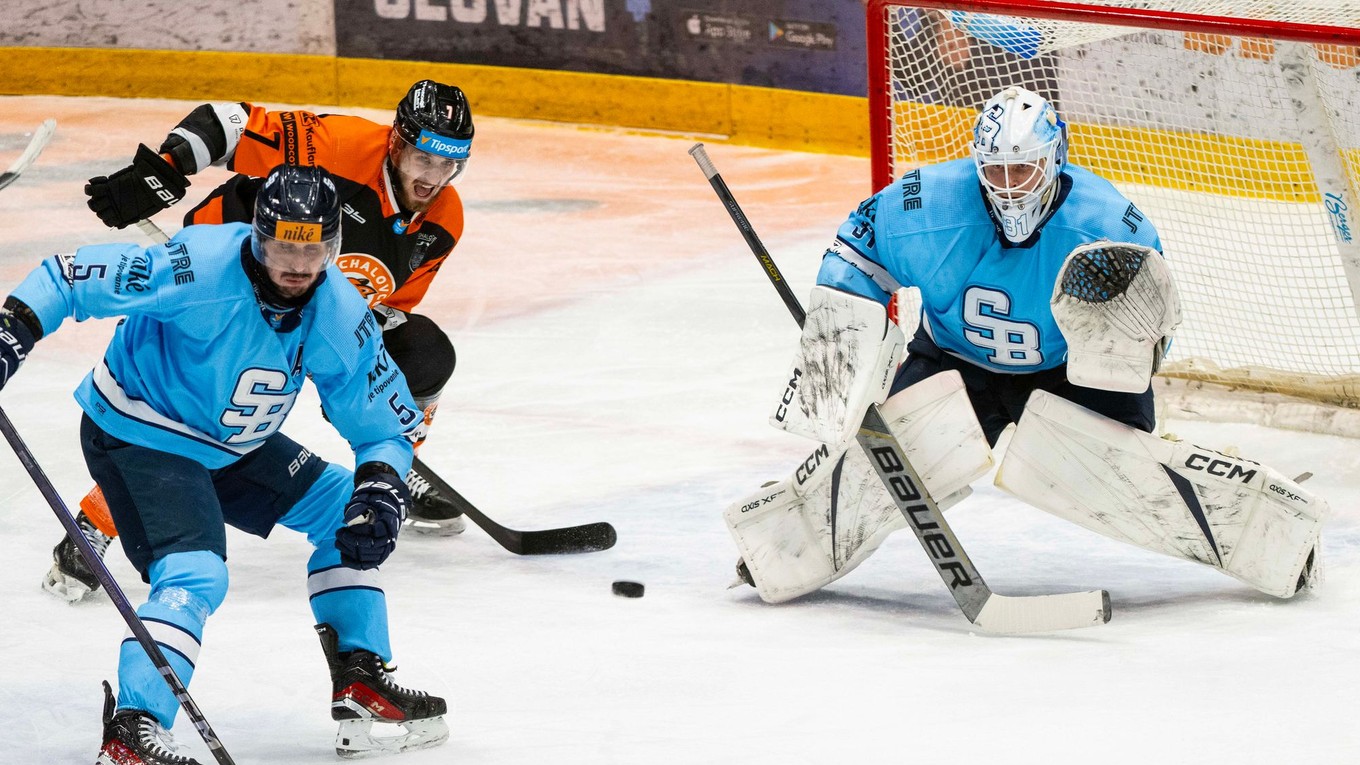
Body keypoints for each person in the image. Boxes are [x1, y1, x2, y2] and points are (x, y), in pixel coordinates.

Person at [724, 86, 1325, 605]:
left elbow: (1149, 327)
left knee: (1132, 480)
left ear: (1054, 159)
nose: (1009, 187)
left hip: (1070, 372)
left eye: (1025, 170)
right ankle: (780, 549)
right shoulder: (927, 205)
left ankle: (1272, 535)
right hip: (955, 362)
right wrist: (844, 347)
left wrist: (1120, 366)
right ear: (977, 164)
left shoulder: (1107, 225)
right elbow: (857, 250)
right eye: (996, 171)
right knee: (885, 469)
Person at [0, 165, 448, 763]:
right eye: (284, 246)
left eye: (313, 248)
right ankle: (135, 729)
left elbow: (381, 423)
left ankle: (360, 679)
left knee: (349, 513)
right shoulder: (197, 267)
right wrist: (11, 332)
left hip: (234, 447)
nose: (297, 263)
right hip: (141, 432)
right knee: (196, 573)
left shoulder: (338, 310)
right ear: (258, 238)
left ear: (334, 246)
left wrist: (382, 482)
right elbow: (68, 278)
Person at [45, 79, 474, 604]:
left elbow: (389, 305)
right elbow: (231, 123)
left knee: (425, 351)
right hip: (224, 284)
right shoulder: (338, 146)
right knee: (199, 417)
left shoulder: (444, 222)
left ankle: (390, 474)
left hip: (304, 303)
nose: (432, 177)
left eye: (447, 164)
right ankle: (95, 520)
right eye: (422, 158)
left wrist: (370, 415)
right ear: (396, 143)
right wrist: (164, 169)